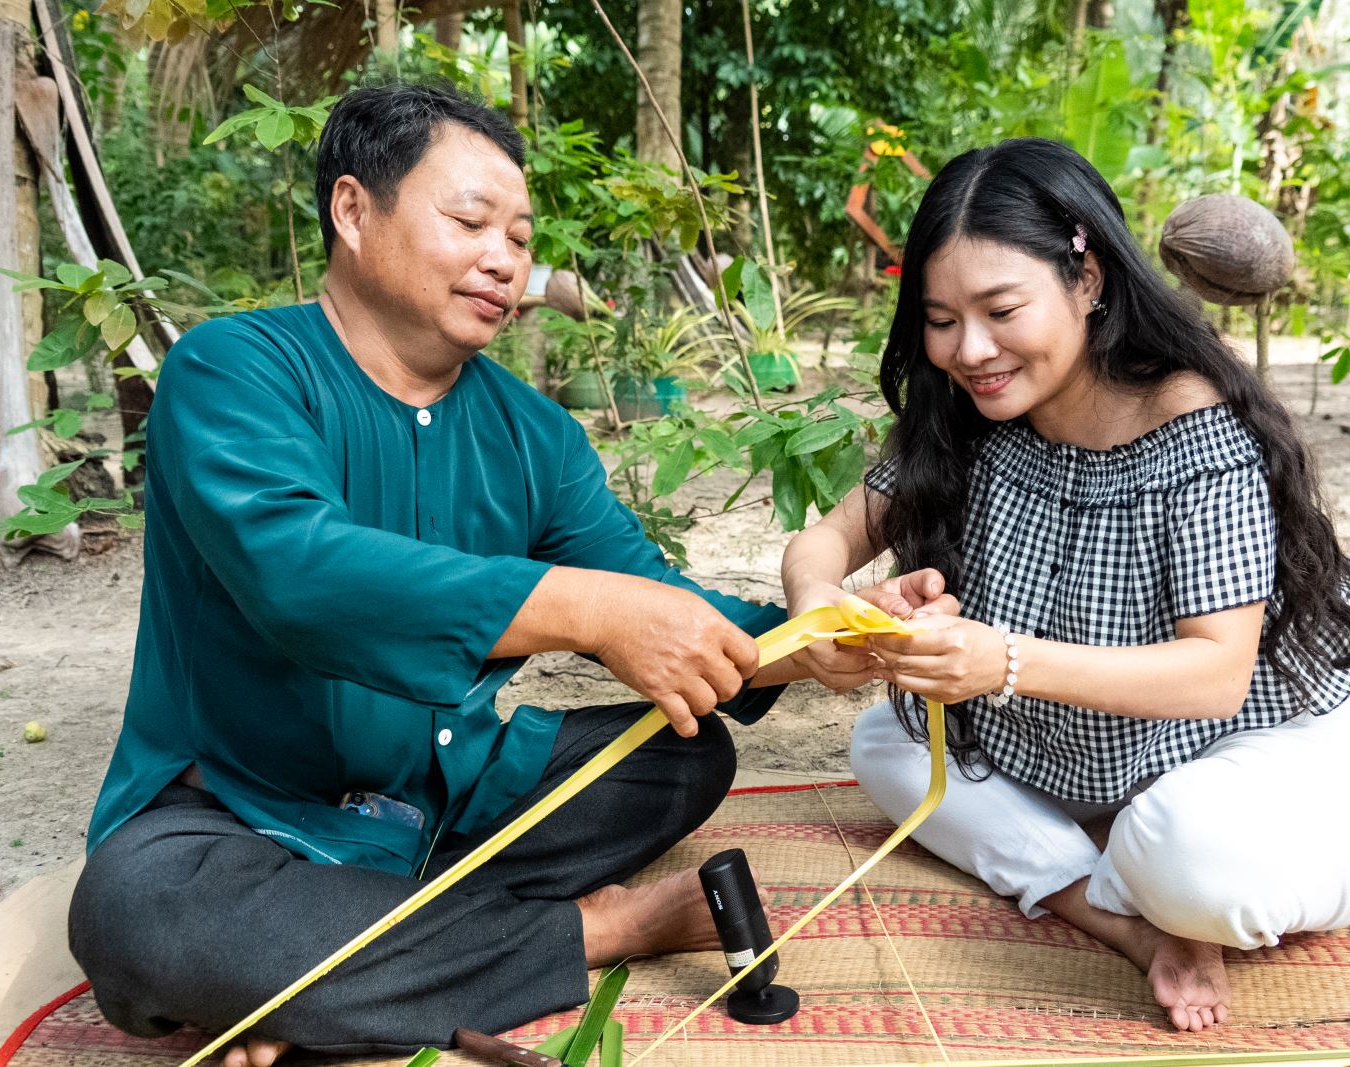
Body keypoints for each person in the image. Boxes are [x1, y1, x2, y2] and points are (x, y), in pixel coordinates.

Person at [67, 82, 887, 1067]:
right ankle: (602, 929)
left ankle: (331, 968)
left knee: (684, 753)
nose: (505, 258)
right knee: (141, 921)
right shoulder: (231, 369)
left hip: (442, 793)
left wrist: (828, 641)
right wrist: (581, 608)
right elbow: (296, 572)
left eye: (521, 236)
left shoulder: (532, 432)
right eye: (470, 221)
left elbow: (666, 606)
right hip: (241, 809)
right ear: (353, 210)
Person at [781, 138, 1350, 1034]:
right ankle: (1119, 917)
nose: (970, 349)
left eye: (1001, 308)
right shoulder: (972, 414)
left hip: (1284, 744)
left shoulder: (1192, 426)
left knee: (1192, 856)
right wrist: (823, 607)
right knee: (887, 744)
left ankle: (1145, 870)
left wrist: (995, 660)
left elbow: (1216, 675)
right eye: (940, 319)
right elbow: (825, 540)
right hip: (1094, 753)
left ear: (1086, 278)